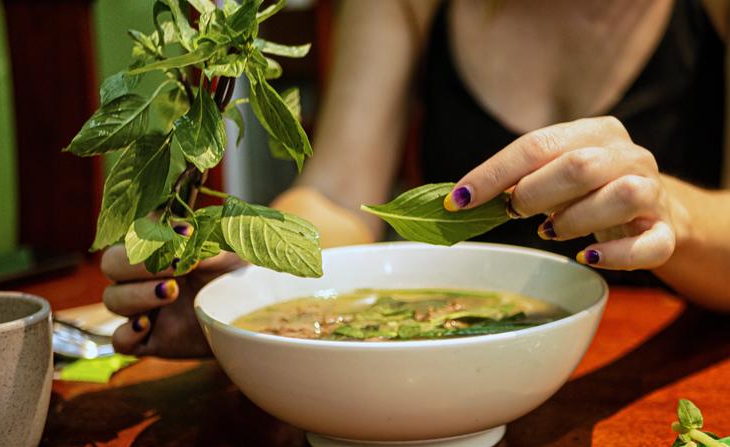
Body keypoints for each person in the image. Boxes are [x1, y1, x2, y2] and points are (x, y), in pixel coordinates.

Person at [101, 0, 730, 358]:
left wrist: (667, 212)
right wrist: (247, 283)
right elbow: (339, 195)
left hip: (674, 371)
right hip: (433, 368)